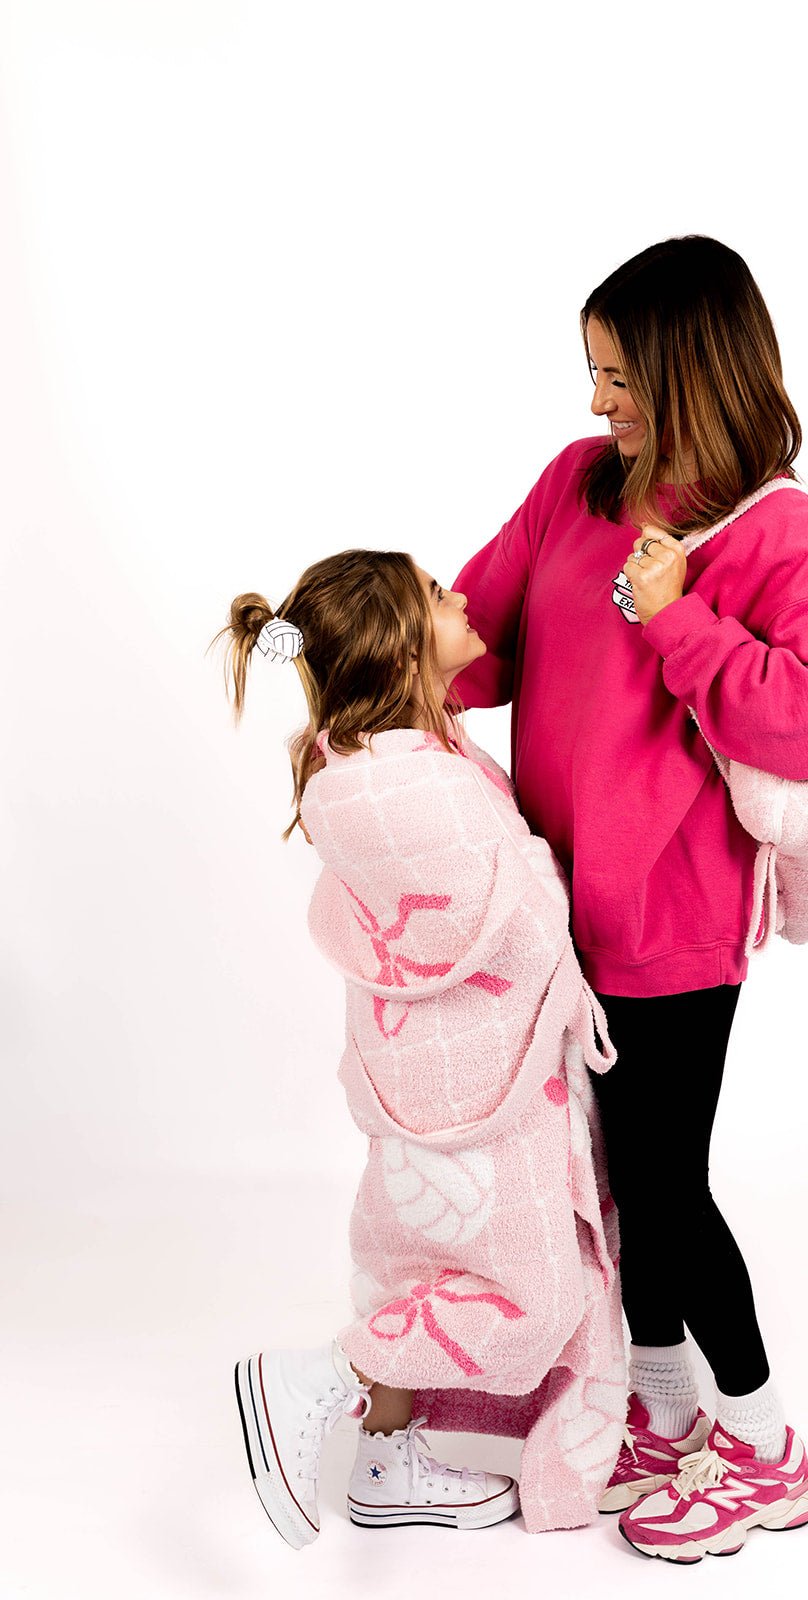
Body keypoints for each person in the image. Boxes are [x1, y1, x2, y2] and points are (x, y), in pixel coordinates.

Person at [451, 235, 808, 1563]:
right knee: (620, 1184)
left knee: (661, 1183)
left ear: (691, 371)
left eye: (618, 376)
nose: (595, 405)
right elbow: (479, 630)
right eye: (589, 373)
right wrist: (354, 649)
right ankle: (661, 1411)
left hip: (671, 924)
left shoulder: (766, 531)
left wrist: (679, 620)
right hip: (562, 918)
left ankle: (763, 1449)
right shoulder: (577, 487)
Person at [218, 550, 625, 1547]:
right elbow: (522, 913)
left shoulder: (365, 766)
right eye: (436, 594)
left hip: (422, 1085)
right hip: (488, 1083)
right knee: (532, 1292)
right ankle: (320, 1376)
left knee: (420, 1268)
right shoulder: (417, 788)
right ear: (402, 645)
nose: (460, 599)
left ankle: (387, 1461)